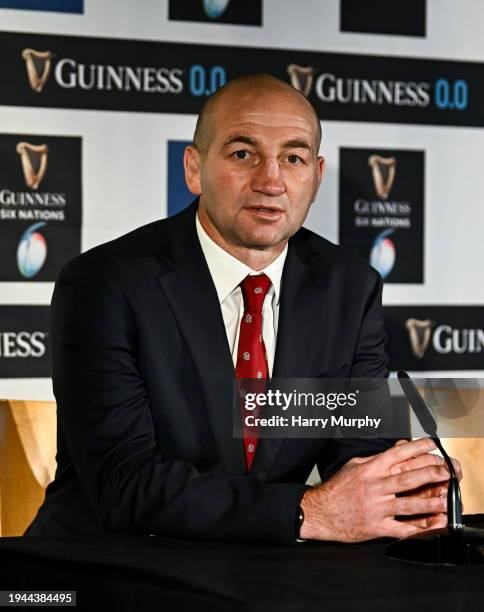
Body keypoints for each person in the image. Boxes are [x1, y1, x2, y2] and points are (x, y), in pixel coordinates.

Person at [26, 74, 458, 543]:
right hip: (108, 568)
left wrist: (402, 495)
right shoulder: (105, 283)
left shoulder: (348, 287)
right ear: (194, 169)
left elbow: (358, 451)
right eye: (242, 154)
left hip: (261, 571)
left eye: (292, 158)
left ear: (315, 177)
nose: (270, 181)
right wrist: (306, 512)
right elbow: (126, 486)